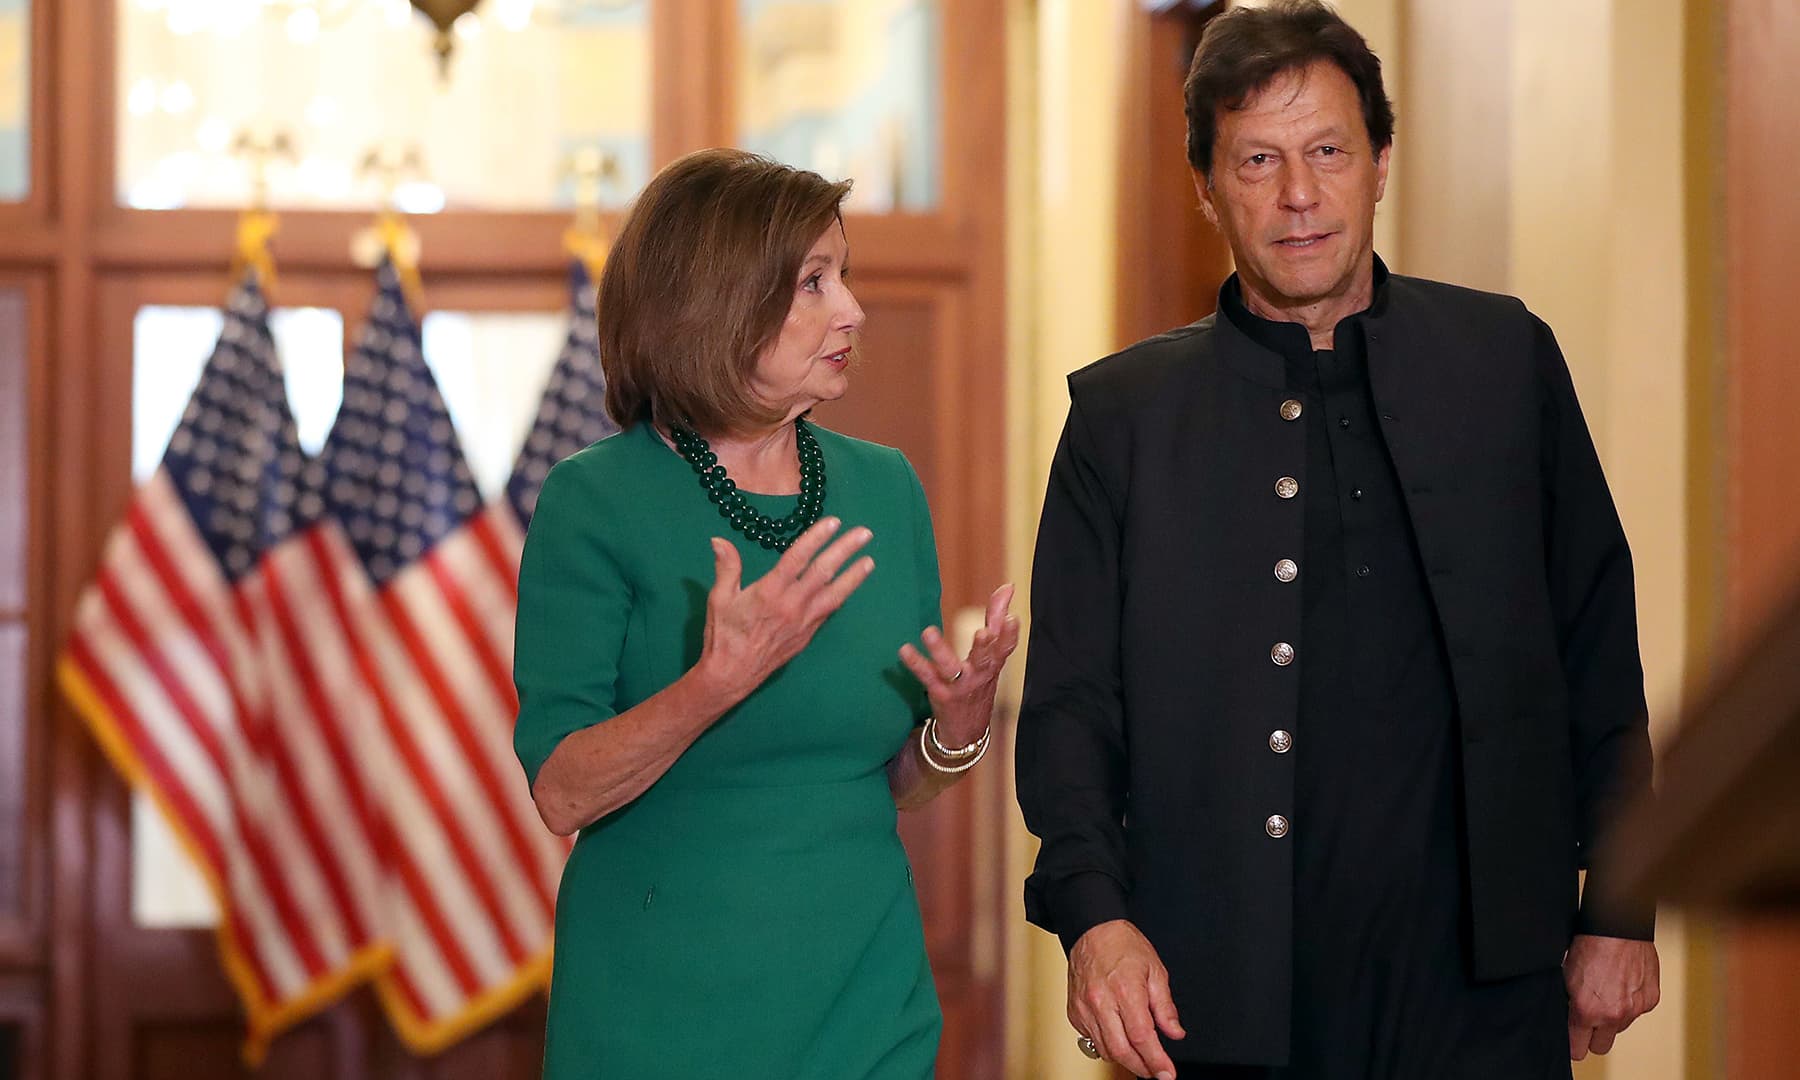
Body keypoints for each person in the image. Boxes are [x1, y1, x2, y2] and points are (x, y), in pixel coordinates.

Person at [1014, 3, 1659, 1077]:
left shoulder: (1506, 361)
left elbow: (1598, 640)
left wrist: (1622, 905)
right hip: (1216, 990)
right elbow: (1073, 705)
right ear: (1205, 185)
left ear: (1381, 162)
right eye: (1257, 160)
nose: (1299, 195)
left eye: (1327, 151)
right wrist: (1093, 918)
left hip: (1482, 982)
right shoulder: (1123, 420)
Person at [513, 148, 1019, 1079]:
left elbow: (890, 778)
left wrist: (958, 728)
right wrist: (717, 683)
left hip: (867, 1009)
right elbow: (563, 791)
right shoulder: (595, 501)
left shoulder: (885, 488)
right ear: (713, 303)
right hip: (658, 1023)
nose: (853, 311)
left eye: (845, 275)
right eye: (813, 283)